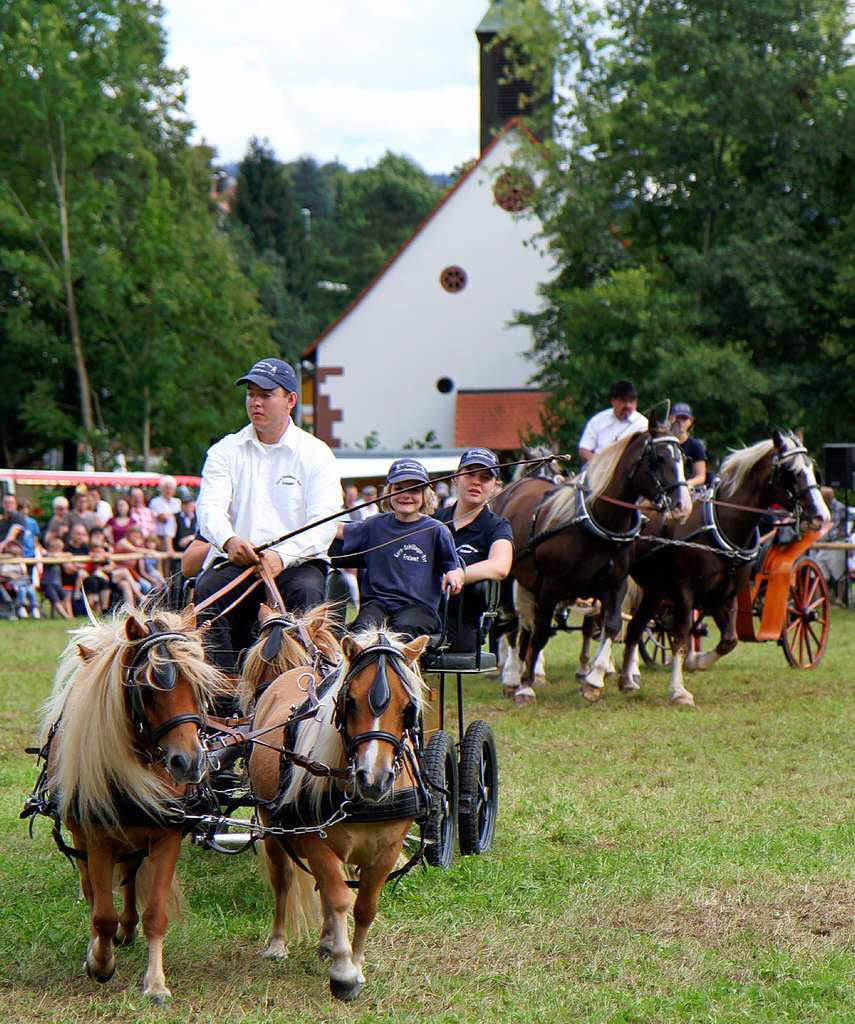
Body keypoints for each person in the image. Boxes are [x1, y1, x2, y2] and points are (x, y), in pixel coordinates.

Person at [195, 357, 342, 672]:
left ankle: (303, 685)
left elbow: (325, 523)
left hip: (297, 564)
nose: (255, 402)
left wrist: (282, 555)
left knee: (305, 593)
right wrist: (229, 540)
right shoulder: (225, 451)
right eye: (251, 394)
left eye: (265, 394)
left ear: (290, 400)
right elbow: (209, 509)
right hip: (238, 561)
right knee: (207, 592)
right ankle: (222, 692)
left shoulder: (317, 454)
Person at [334, 458, 463, 639]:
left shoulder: (436, 530)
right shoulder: (374, 525)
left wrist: (454, 574)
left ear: (425, 495)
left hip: (419, 608)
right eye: (399, 489)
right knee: (364, 631)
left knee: (401, 631)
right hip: (377, 604)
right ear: (388, 492)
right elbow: (339, 530)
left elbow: (453, 565)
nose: (406, 495)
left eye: (414, 490)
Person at [434, 448, 514, 650]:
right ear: (455, 478)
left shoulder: (497, 526)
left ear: (496, 486)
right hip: (423, 613)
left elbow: (500, 566)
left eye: (486, 477)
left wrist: (458, 574)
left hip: (463, 623)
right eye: (469, 474)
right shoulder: (433, 520)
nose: (476, 481)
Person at [578, 379, 649, 462]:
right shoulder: (598, 421)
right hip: (598, 470)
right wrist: (597, 465)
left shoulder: (643, 425)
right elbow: (584, 450)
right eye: (623, 401)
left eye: (631, 401)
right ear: (613, 401)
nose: (628, 406)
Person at [669, 402, 707, 488]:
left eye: (684, 418)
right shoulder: (663, 443)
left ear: (691, 422)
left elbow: (701, 476)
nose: (680, 422)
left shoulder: (695, 446)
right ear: (670, 419)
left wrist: (689, 483)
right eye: (677, 418)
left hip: (687, 487)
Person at [0, 540, 40, 618]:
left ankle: (34, 607)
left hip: (21, 582)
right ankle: (21, 607)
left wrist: (22, 565)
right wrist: (10, 575)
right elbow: (2, 572)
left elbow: (24, 573)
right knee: (22, 589)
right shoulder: (4, 563)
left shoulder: (20, 562)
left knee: (31, 590)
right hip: (10, 583)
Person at [149, 475, 181, 555]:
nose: (169, 491)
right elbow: (162, 518)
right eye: (167, 488)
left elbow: (179, 518)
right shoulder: (155, 501)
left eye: (171, 488)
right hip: (160, 536)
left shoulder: (177, 501)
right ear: (161, 488)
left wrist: (171, 516)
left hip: (176, 535)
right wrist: (172, 516)